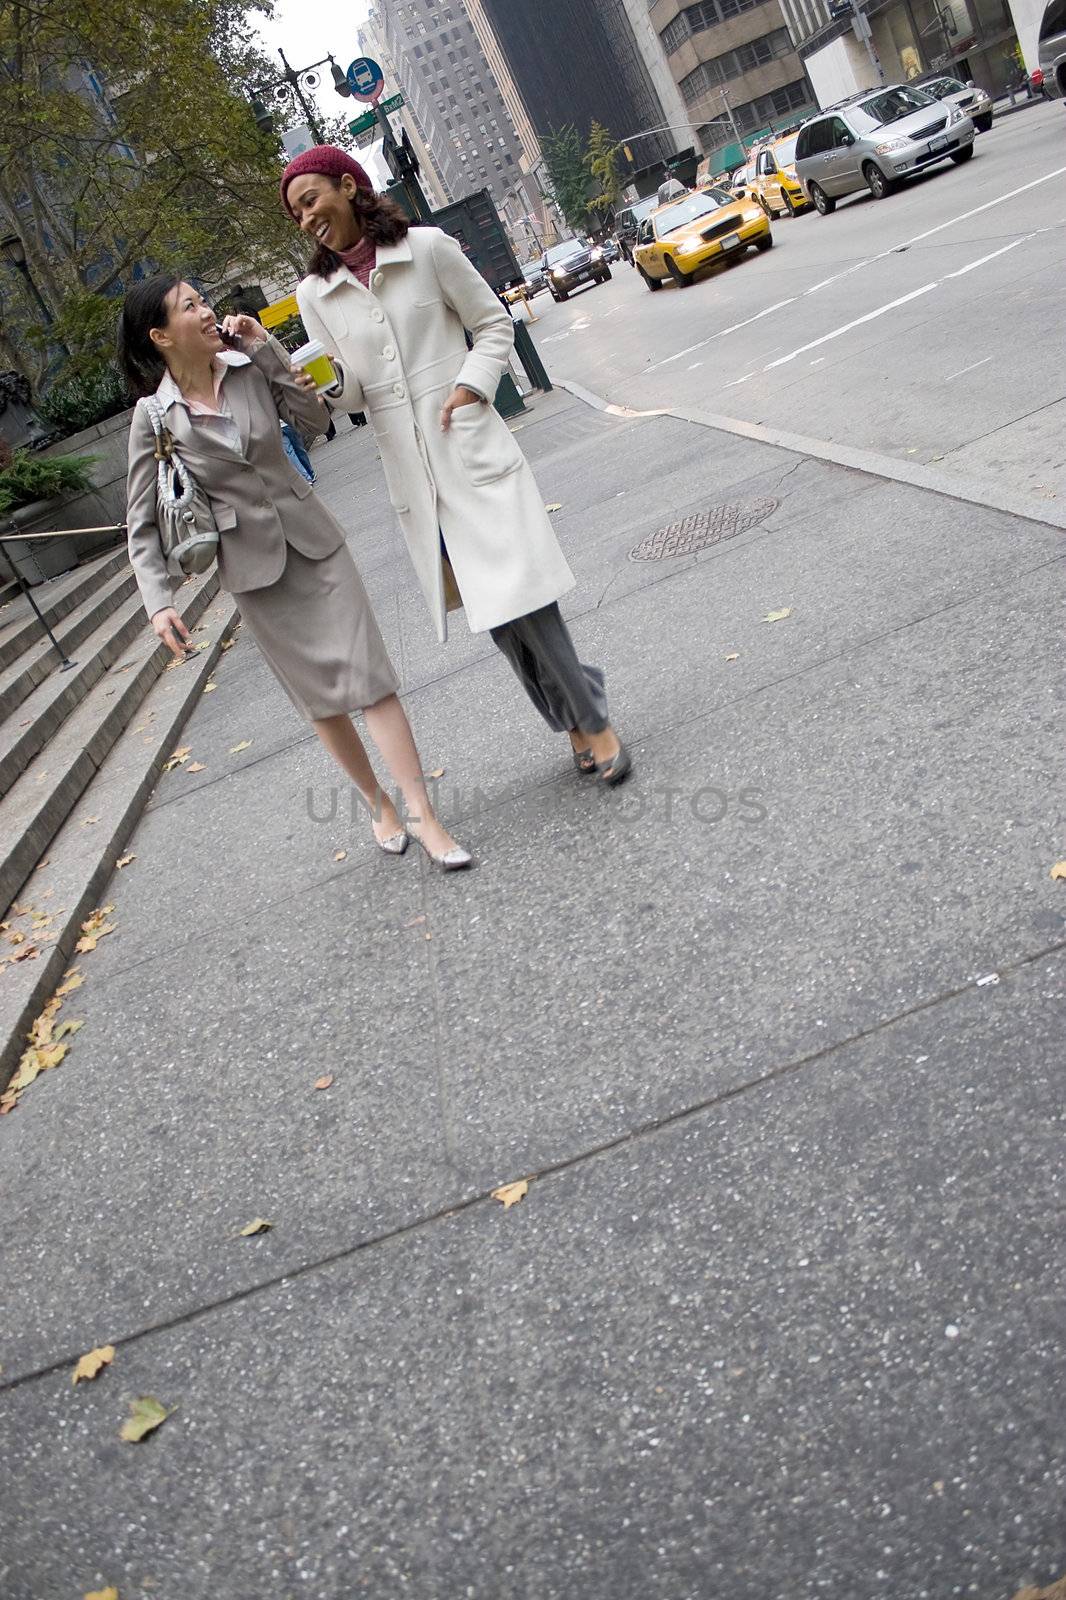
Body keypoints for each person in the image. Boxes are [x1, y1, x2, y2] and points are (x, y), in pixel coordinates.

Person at [281, 146, 630, 787]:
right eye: (296, 214)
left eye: (311, 202)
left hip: (468, 448)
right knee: (495, 617)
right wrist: (320, 390)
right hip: (415, 478)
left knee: (526, 596)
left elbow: (493, 324)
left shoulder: (429, 248)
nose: (306, 220)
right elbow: (352, 394)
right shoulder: (314, 294)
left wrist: (472, 385)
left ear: (348, 186)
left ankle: (592, 717)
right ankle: (573, 718)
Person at [118, 274, 471, 869]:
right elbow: (141, 520)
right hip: (254, 572)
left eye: (203, 301)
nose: (206, 312)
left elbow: (310, 420)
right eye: (189, 307)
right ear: (160, 336)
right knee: (322, 701)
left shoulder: (246, 365)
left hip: (315, 541)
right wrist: (159, 601)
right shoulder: (154, 417)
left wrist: (267, 349)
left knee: (370, 680)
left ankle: (424, 815)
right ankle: (376, 801)